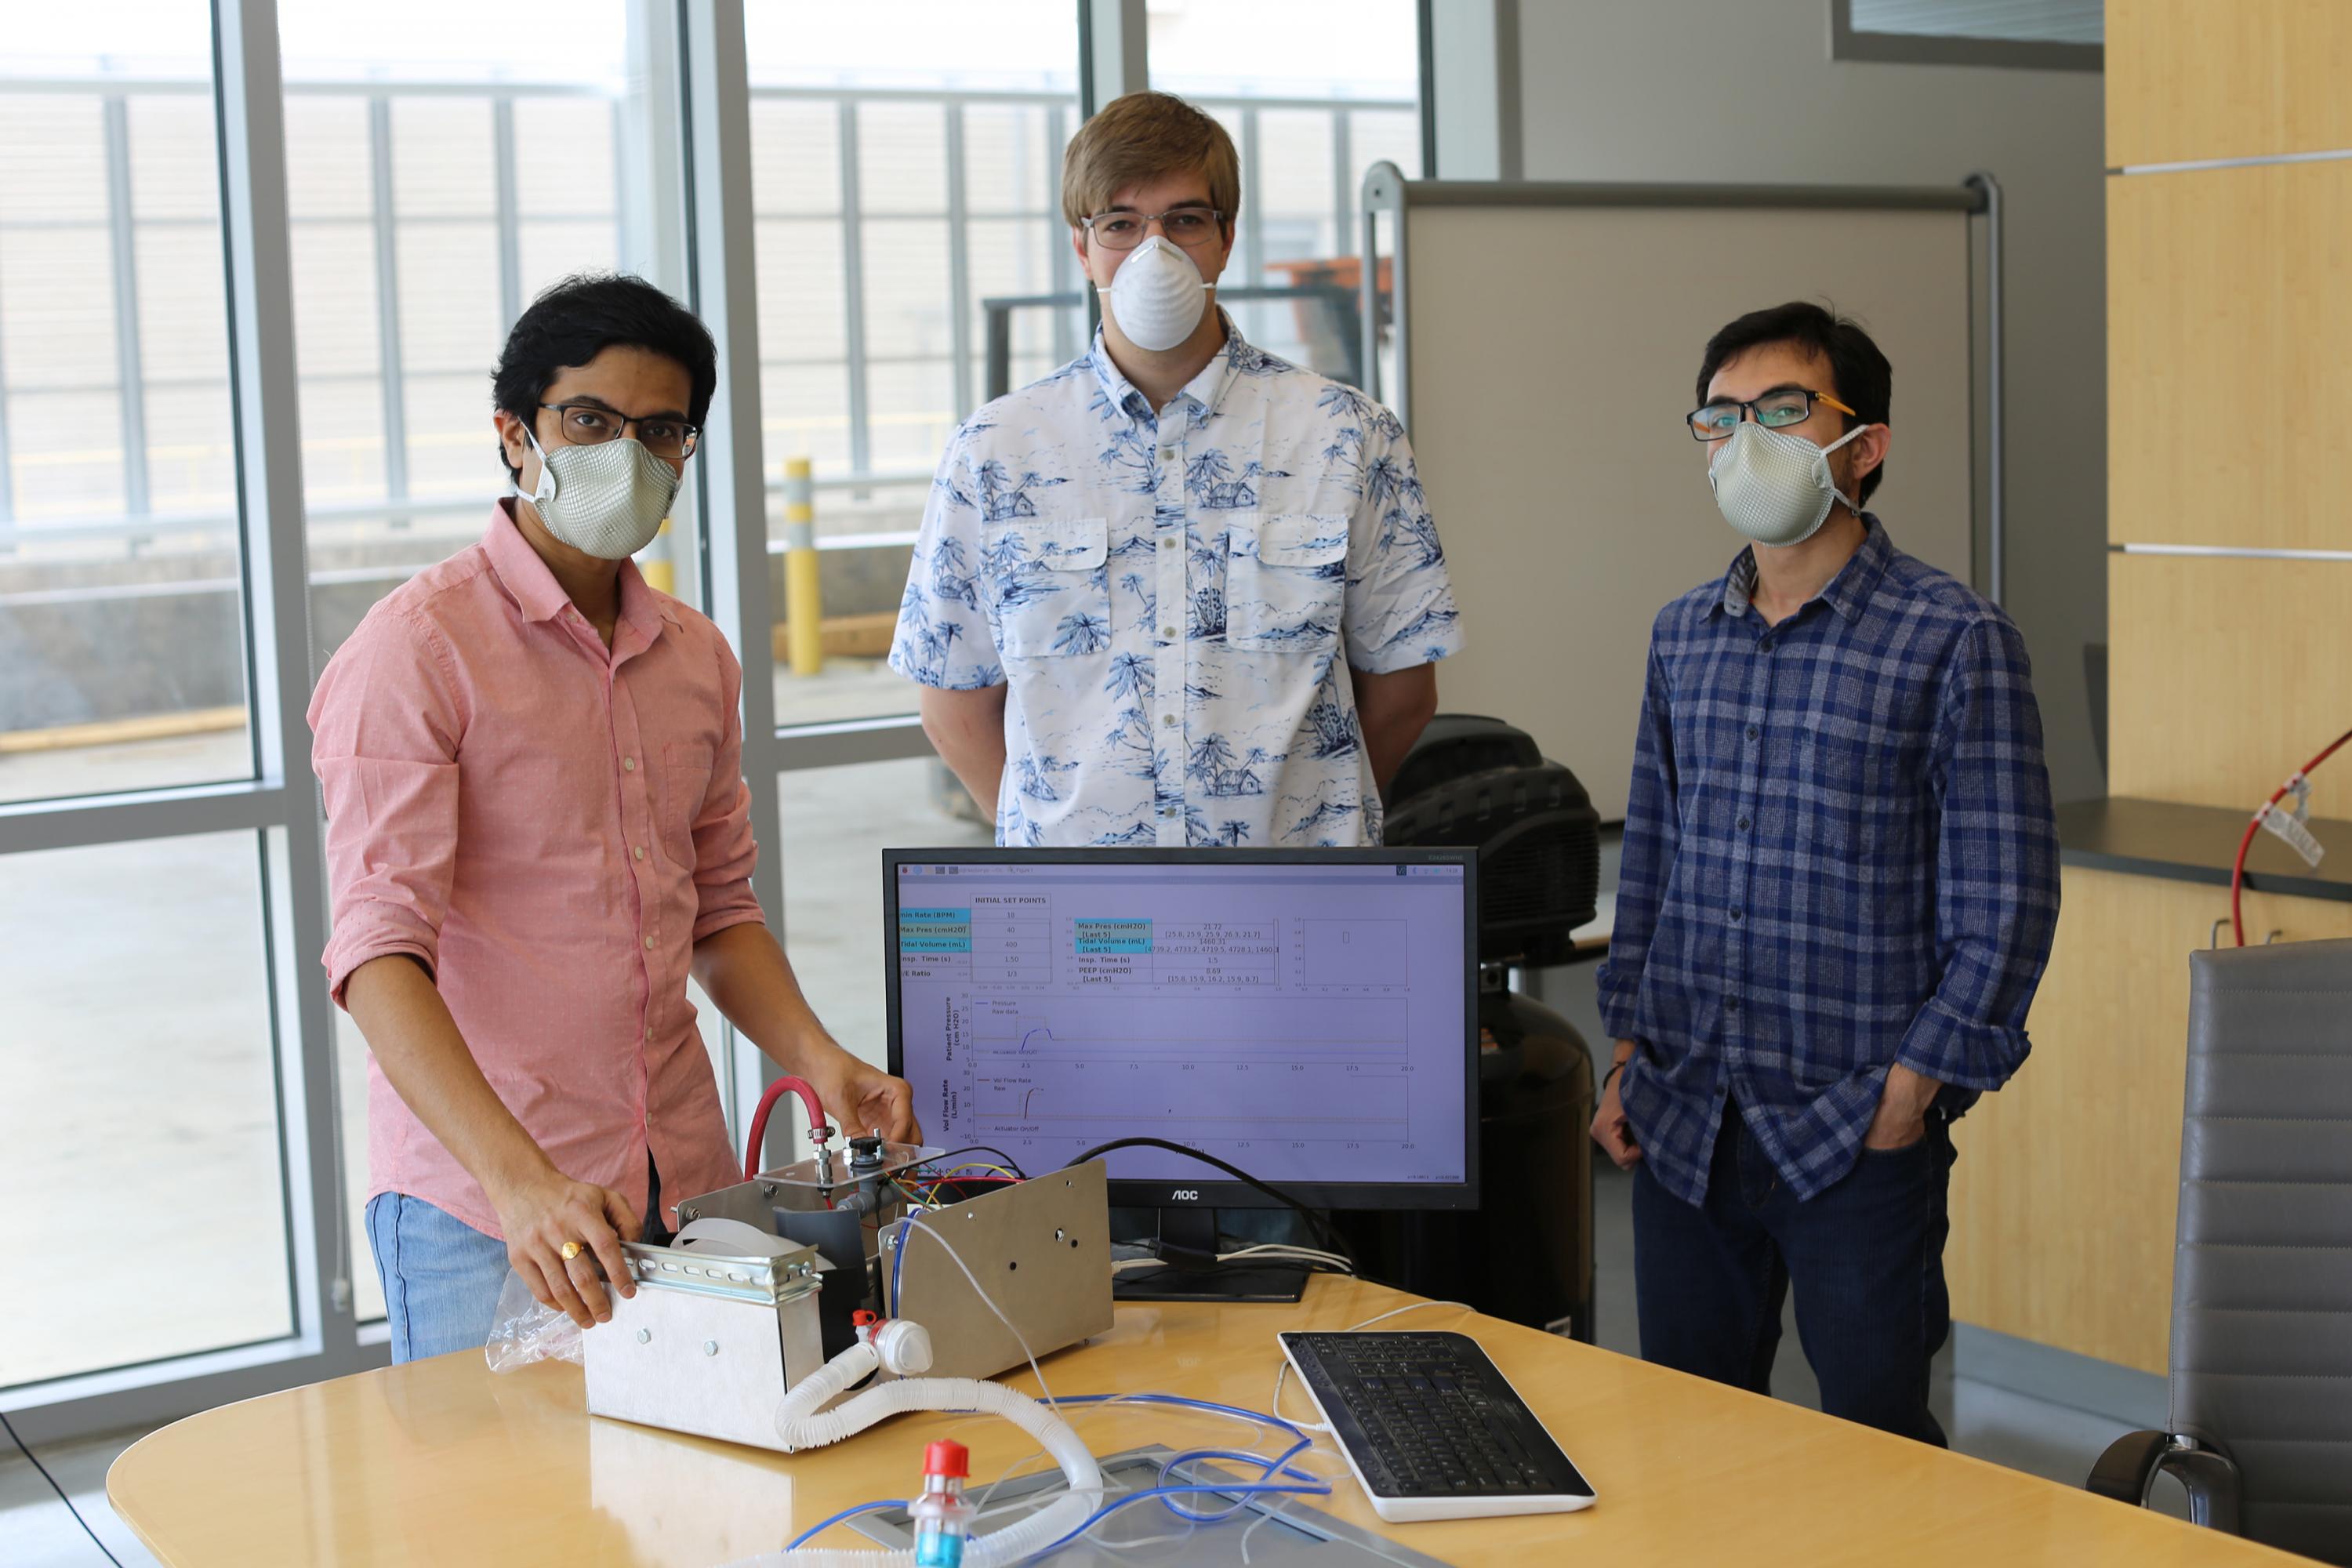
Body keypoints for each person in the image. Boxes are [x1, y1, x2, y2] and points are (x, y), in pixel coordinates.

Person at [310, 274, 918, 1362]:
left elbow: (718, 910)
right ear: (515, 434)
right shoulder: (415, 651)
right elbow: (376, 954)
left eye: (661, 431)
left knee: (682, 1506)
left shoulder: (694, 656)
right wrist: (519, 1182)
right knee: (499, 1525)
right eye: (589, 421)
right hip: (490, 1212)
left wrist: (820, 1059)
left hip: (677, 1184)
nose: (625, 455)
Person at [1589, 301, 2058, 1443]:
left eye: (1783, 410)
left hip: (1855, 1120)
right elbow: (1652, 855)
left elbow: (2008, 897)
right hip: (1687, 1108)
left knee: (1878, 1443)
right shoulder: (1683, 633)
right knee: (1691, 1439)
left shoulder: (1954, 637)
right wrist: (1629, 1053)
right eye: (1723, 416)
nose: (1748, 438)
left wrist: (1914, 1091)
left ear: (1865, 442)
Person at [891, 91, 1458, 848]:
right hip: (1087, 921)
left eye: (1185, 220)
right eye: (1121, 224)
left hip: (1291, 908)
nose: (1154, 250)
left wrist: (1305, 819)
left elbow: (1403, 691)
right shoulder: (995, 451)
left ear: (1225, 239)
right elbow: (954, 706)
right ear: (1082, 247)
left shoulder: (1346, 436)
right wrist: (1069, 842)